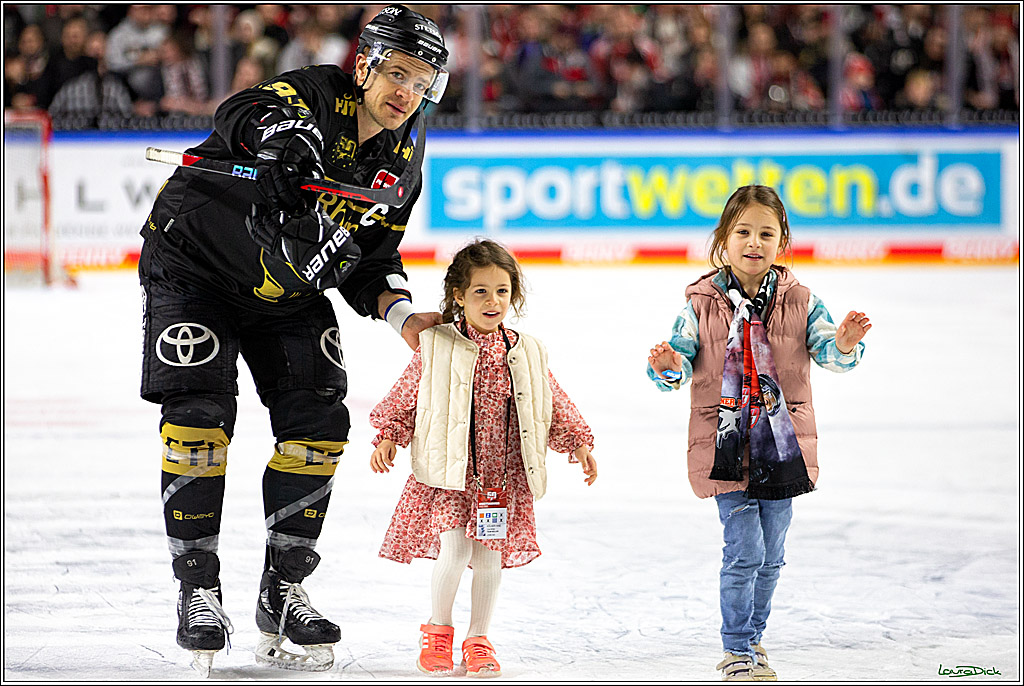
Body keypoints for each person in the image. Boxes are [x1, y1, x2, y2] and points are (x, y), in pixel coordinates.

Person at [137, 4, 450, 676]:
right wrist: (284, 143)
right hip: (195, 269)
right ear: (363, 63)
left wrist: (403, 316)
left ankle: (282, 591)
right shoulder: (311, 93)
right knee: (198, 417)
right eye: (397, 73)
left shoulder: (405, 156)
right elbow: (243, 110)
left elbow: (371, 255)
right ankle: (199, 589)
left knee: (319, 424)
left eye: (423, 83)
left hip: (287, 291)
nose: (407, 93)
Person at [646, 185, 871, 681]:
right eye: (743, 231)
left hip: (782, 446)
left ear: (781, 241)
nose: (754, 242)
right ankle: (736, 648)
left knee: (772, 553)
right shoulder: (700, 302)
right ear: (723, 239)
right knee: (744, 549)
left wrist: (845, 341)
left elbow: (829, 352)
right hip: (725, 446)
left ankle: (754, 638)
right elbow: (681, 361)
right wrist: (668, 365)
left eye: (766, 233)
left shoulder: (803, 301)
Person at [369, 239, 598, 678]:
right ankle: (438, 633)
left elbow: (549, 401)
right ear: (458, 295)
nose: (492, 301)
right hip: (450, 472)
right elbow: (407, 396)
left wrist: (577, 441)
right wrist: (389, 437)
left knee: (490, 557)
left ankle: (478, 639)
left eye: (502, 291)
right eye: (480, 291)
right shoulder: (437, 344)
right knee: (454, 551)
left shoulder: (526, 348)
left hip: (502, 476)